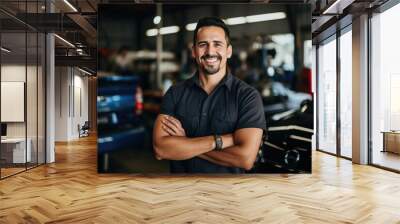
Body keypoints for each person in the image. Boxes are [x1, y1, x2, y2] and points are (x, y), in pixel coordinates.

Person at [152, 17, 266, 173]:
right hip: (181, 192)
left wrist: (186, 143)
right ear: (194, 51)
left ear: (229, 51)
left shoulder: (247, 96)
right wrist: (220, 141)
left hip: (227, 194)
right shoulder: (175, 93)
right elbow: (161, 149)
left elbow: (245, 159)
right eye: (203, 44)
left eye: (217, 44)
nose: (210, 51)